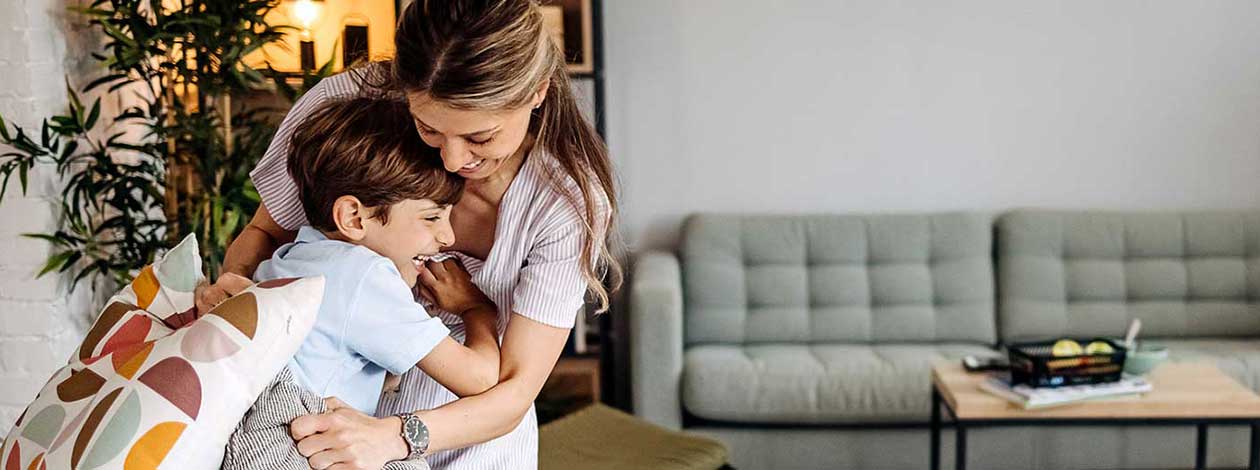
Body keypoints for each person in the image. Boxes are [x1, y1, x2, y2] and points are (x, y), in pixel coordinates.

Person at [198, 0, 621, 468]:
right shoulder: (344, 109)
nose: (453, 161)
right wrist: (233, 301)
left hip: (470, 444)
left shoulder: (565, 203)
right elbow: (265, 233)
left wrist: (392, 439)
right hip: (311, 437)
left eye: (481, 137)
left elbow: (513, 392)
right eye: (429, 129)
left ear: (537, 92)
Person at [221, 96, 502, 469]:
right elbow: (480, 379)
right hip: (293, 449)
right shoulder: (363, 275)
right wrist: (475, 307)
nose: (448, 237)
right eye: (432, 217)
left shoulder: (291, 258)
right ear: (354, 217)